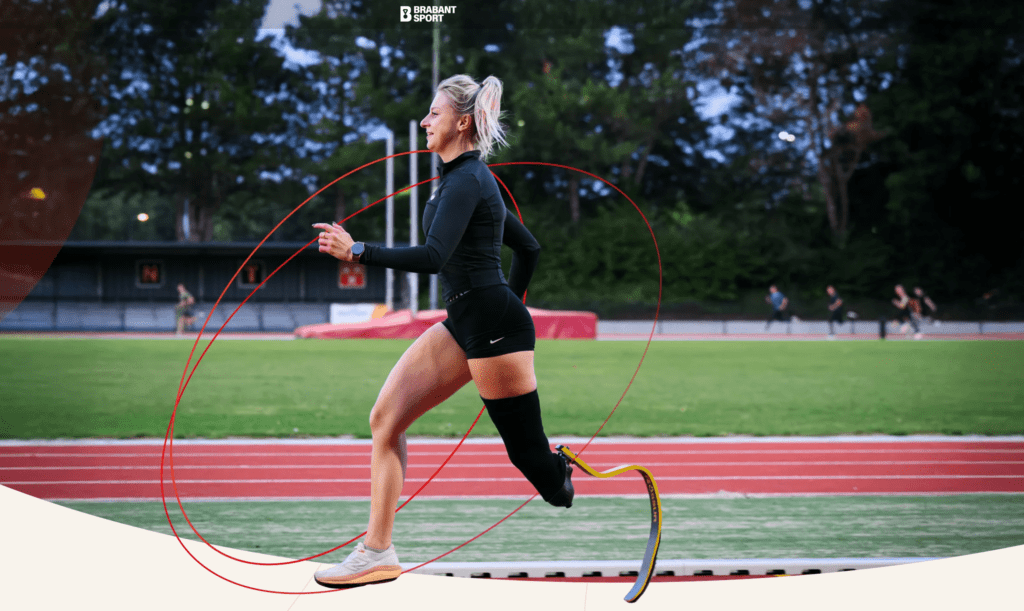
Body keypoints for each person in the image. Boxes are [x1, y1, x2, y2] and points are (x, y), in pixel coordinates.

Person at [310, 74, 573, 589]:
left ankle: (558, 474)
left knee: (533, 462)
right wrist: (505, 305)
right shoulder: (462, 181)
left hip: (491, 325)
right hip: (465, 323)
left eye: (434, 113)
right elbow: (529, 248)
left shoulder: (468, 180)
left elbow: (434, 257)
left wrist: (358, 251)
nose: (424, 121)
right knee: (385, 420)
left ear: (463, 122)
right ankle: (377, 552)